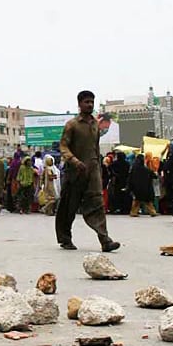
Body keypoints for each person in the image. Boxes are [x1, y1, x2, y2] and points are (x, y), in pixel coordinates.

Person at [56, 90, 119, 252]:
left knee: (97, 204)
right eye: (86, 102)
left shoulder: (95, 125)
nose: (89, 105)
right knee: (69, 206)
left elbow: (95, 148)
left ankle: (105, 240)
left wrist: (98, 167)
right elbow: (63, 146)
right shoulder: (72, 124)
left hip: (93, 171)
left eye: (92, 102)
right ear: (79, 104)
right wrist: (74, 161)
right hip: (75, 172)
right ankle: (65, 238)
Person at [128, 152, 157, 217]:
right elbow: (154, 175)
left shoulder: (134, 168)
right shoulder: (146, 169)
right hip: (146, 188)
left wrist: (130, 187)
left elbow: (130, 178)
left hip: (137, 188)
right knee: (148, 201)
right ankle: (152, 212)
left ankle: (133, 212)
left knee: (136, 201)